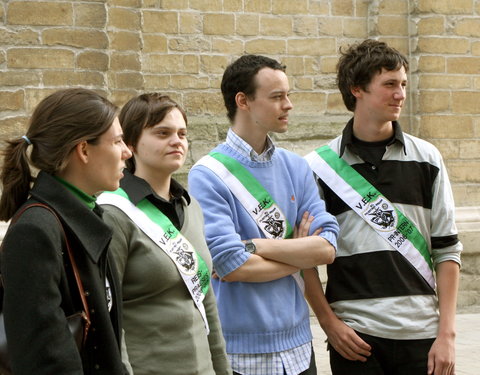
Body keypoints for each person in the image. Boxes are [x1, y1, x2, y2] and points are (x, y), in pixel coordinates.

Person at [304, 39, 462, 375]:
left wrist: (447, 334)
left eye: (403, 84)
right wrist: (328, 323)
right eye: (389, 84)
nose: (400, 94)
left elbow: (447, 250)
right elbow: (304, 258)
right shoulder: (318, 168)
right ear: (357, 89)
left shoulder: (427, 159)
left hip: (422, 335)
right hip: (355, 338)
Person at [188, 54, 340, 375]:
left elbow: (327, 248)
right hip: (241, 354)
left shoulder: (296, 166)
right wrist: (300, 254)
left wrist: (255, 246)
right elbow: (229, 264)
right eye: (277, 97)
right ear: (243, 101)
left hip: (299, 347)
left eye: (288, 95)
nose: (289, 105)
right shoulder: (208, 174)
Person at [97, 93, 232, 375]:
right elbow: (109, 315)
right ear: (130, 143)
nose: (177, 141)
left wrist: (221, 367)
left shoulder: (190, 206)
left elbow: (206, 299)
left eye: (182, 133)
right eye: (162, 133)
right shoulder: (114, 213)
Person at [0, 88, 132, 374]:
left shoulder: (87, 214)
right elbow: (44, 359)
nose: (127, 152)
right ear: (84, 150)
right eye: (118, 141)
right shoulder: (35, 230)